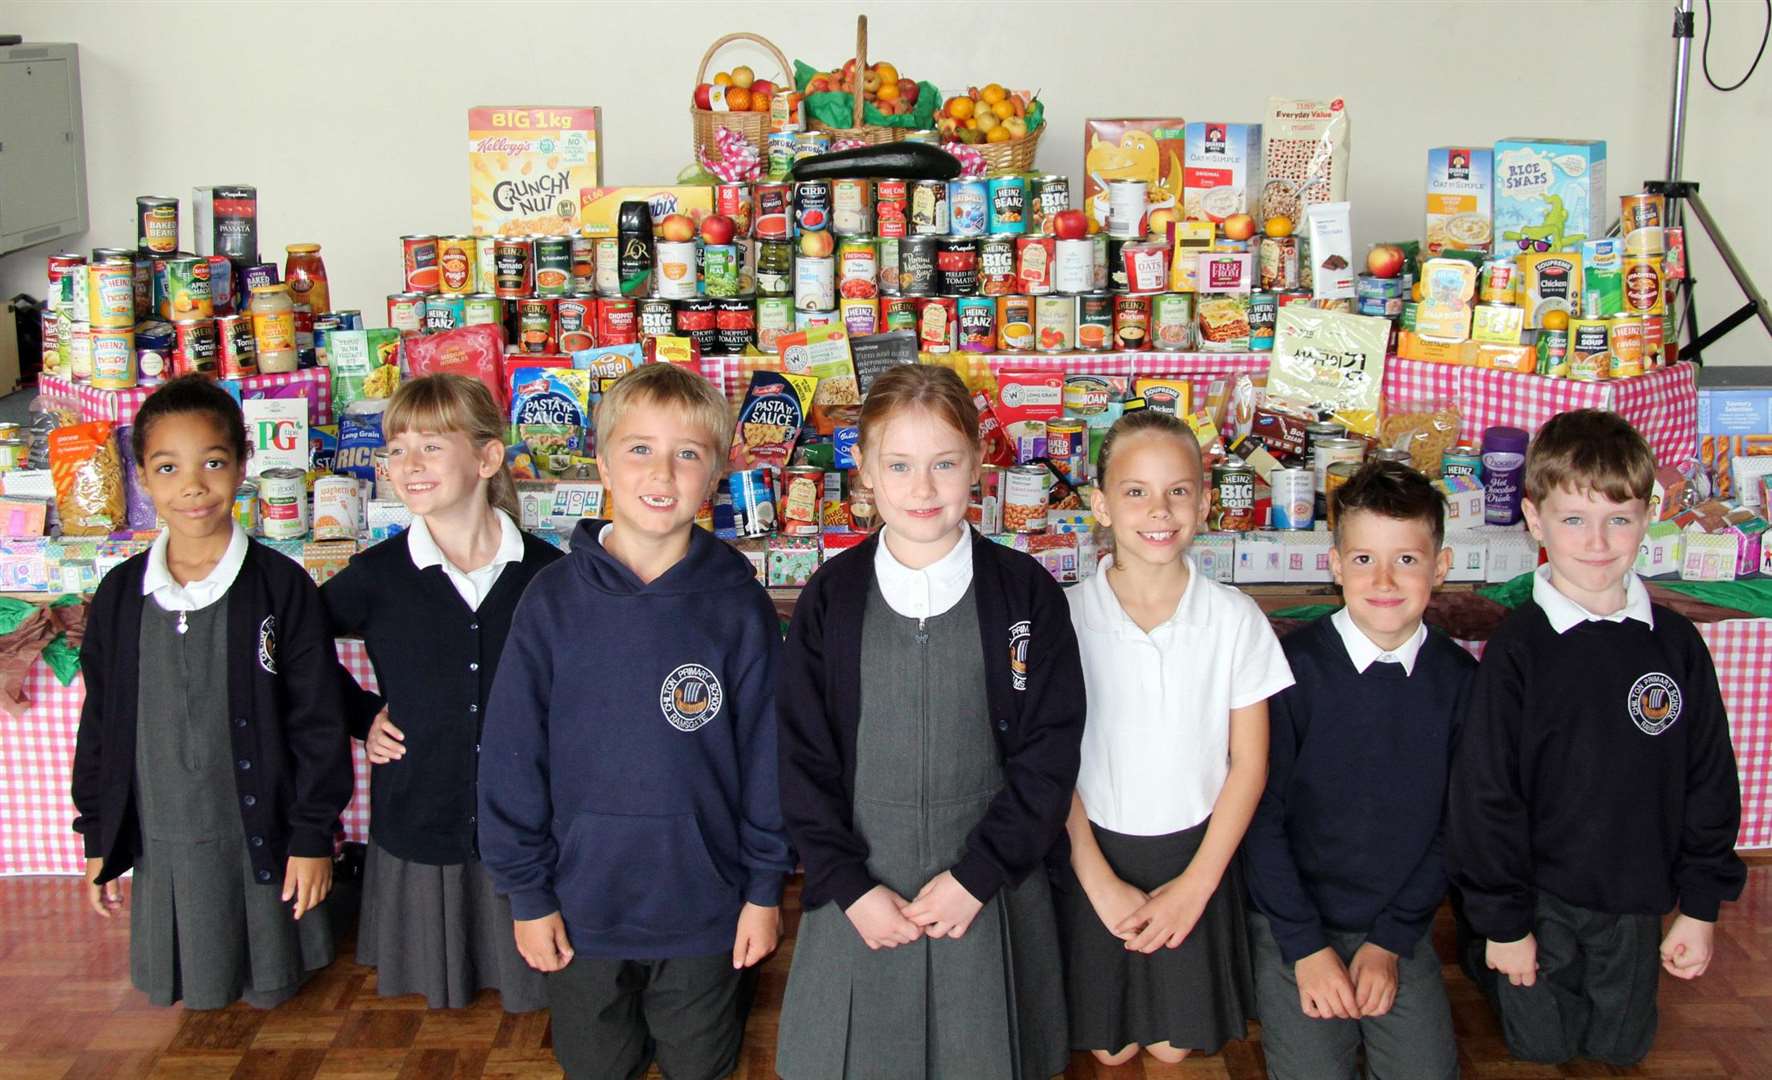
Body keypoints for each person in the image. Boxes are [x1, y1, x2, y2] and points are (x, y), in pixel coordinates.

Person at [478, 363, 793, 1080]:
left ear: (717, 471)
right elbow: (510, 757)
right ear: (602, 463)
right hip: (580, 907)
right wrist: (528, 894)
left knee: (700, 1064)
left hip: (707, 910)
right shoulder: (550, 602)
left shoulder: (738, 608)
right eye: (640, 448)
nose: (664, 471)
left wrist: (763, 892)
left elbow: (769, 764)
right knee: (595, 1065)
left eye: (688, 453)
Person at [775, 364, 1083, 1079]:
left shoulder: (1025, 593)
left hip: (986, 885)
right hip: (862, 886)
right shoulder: (831, 599)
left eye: (944, 464)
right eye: (901, 465)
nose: (922, 489)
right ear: (864, 469)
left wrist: (979, 875)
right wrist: (847, 885)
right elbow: (800, 758)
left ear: (978, 464)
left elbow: (1050, 750)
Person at [1449, 409, 1747, 1067]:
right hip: (1538, 895)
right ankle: (1480, 948)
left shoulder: (1675, 646)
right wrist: (1504, 924)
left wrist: (1699, 909)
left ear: (1647, 516)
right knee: (1541, 1045)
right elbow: (1485, 795)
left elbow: (1709, 780)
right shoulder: (1518, 649)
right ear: (1535, 521)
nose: (1598, 541)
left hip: (1634, 895)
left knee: (1621, 1048)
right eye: (1574, 520)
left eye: (1619, 518)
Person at [72, 374, 352, 1009]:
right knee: (190, 949)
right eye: (167, 467)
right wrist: (100, 838)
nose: (192, 485)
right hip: (162, 823)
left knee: (271, 968)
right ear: (142, 477)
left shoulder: (280, 586)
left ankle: (277, 968)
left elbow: (317, 720)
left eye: (214, 462)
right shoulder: (120, 595)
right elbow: (102, 723)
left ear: (243, 465)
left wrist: (312, 836)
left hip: (257, 822)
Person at [1056, 408, 1292, 1066]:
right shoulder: (1064, 620)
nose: (1159, 510)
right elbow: (1049, 768)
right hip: (1093, 851)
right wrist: (1097, 880)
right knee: (1108, 1050)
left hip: (1198, 856)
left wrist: (1197, 884)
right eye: (1136, 492)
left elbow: (1249, 764)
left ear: (1205, 502)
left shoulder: (1235, 619)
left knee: (1173, 1050)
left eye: (1178, 491)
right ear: (1101, 505)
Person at [321, 374, 560, 1011]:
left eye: (430, 445)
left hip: (528, 810)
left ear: (486, 458)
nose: (409, 465)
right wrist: (363, 715)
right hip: (421, 805)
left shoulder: (548, 575)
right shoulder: (375, 576)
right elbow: (298, 650)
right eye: (396, 449)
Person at [1244, 461, 1473, 1080]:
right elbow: (1256, 818)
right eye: (1365, 559)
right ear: (1337, 564)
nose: (1385, 580)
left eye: (1407, 559)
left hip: (1394, 925)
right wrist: (1305, 947)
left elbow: (1457, 826)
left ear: (1441, 567)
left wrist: (1392, 942)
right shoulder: (1287, 671)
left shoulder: (1462, 684)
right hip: (1294, 922)